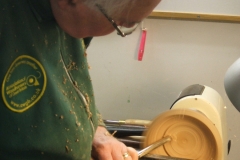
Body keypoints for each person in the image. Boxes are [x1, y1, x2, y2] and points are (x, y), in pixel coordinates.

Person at [0, 0, 161, 159]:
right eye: (118, 22)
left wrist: (95, 130)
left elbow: (69, 79)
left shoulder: (70, 17)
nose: (117, 29)